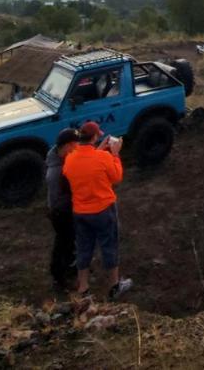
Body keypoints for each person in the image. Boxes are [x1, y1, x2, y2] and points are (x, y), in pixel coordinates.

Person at [63, 121, 131, 300]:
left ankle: (83, 289)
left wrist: (99, 151)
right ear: (94, 137)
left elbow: (84, 167)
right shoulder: (103, 158)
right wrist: (115, 154)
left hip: (80, 212)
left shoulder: (70, 158)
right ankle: (115, 286)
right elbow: (116, 177)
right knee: (109, 246)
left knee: (84, 248)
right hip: (103, 210)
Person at [46, 128, 80, 289]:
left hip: (63, 210)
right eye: (75, 145)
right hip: (61, 213)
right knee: (63, 244)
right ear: (66, 146)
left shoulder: (59, 159)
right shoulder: (56, 172)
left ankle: (71, 268)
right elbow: (58, 199)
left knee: (69, 242)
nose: (77, 148)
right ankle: (59, 278)